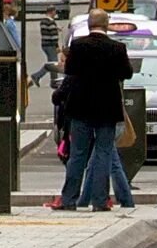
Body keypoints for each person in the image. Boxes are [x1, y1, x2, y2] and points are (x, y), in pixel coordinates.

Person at [59, 16, 139, 213]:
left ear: (89, 24)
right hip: (107, 107)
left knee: (77, 154)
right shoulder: (117, 47)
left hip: (80, 106)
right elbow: (127, 73)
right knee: (103, 152)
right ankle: (100, 201)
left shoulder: (78, 46)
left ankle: (69, 199)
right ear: (106, 24)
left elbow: (69, 70)